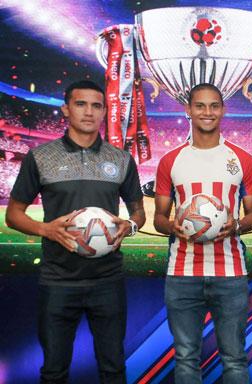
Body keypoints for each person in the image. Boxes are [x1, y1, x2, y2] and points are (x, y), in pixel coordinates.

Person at [6, 80, 146, 384]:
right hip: (58, 281)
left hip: (107, 280)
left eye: (97, 106)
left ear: (104, 111)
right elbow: (13, 214)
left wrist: (131, 225)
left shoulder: (120, 159)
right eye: (81, 104)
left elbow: (138, 213)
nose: (89, 112)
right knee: (54, 372)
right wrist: (46, 229)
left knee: (113, 370)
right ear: (66, 109)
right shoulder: (41, 157)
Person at [153, 83, 252, 383]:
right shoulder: (171, 160)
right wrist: (172, 225)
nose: (207, 112)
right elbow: (160, 218)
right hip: (182, 273)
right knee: (186, 358)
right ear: (188, 110)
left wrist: (236, 225)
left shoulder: (241, 159)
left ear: (223, 110)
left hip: (231, 274)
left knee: (235, 359)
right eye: (200, 105)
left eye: (214, 105)